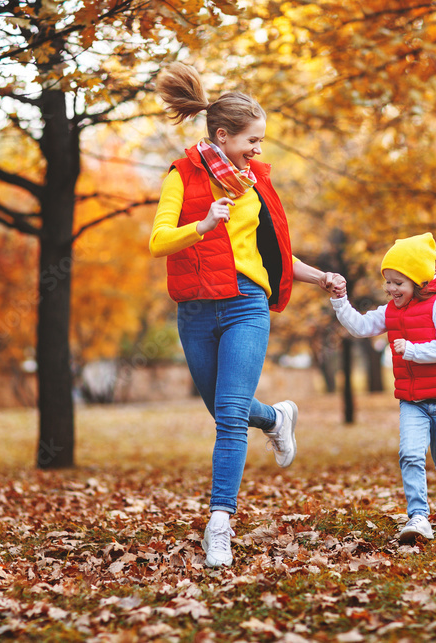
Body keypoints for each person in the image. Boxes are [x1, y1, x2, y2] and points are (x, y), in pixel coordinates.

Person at [149, 62, 345, 568]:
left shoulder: (254, 182)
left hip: (245, 304)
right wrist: (202, 224)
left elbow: (275, 253)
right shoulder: (182, 174)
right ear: (223, 135)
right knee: (225, 411)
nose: (259, 150)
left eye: (260, 142)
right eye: (252, 140)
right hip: (195, 310)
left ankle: (219, 524)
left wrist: (319, 276)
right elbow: (157, 241)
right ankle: (277, 417)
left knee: (229, 418)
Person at [329, 233, 436, 544]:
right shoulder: (391, 311)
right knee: (410, 454)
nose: (391, 289)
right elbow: (361, 326)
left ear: (418, 281)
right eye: (387, 282)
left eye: (398, 283)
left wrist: (414, 350)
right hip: (413, 400)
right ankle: (418, 517)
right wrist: (340, 300)